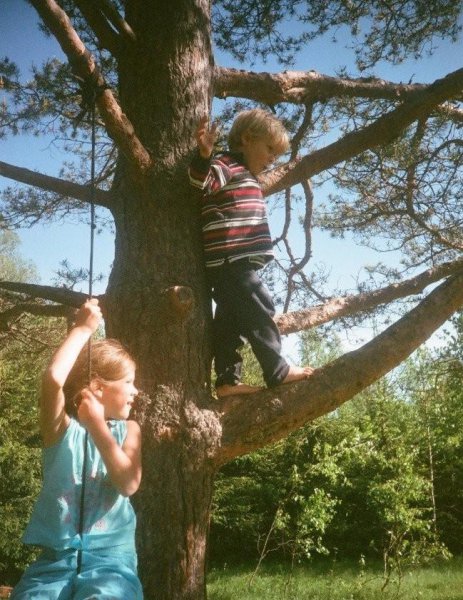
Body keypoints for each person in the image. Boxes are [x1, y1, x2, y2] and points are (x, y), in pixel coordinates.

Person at [11, 299, 143, 600]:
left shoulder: (130, 431)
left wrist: (97, 425)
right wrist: (83, 329)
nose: (136, 391)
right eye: (128, 382)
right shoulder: (59, 430)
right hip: (53, 562)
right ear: (98, 387)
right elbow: (53, 380)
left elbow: (128, 483)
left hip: (112, 562)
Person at [189, 108, 312, 398]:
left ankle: (227, 382)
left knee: (231, 324)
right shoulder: (227, 163)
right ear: (246, 138)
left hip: (232, 261)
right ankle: (276, 370)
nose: (273, 159)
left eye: (277, 155)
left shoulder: (248, 176)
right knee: (261, 307)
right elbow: (200, 184)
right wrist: (204, 155)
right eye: (270, 150)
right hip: (232, 259)